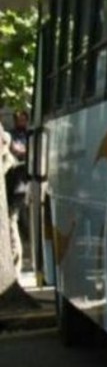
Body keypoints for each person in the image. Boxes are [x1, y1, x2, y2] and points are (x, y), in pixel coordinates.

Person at [5, 111, 30, 270]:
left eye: (23, 119)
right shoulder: (11, 135)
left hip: (25, 185)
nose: (21, 122)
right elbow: (14, 149)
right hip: (15, 186)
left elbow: (24, 151)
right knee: (14, 220)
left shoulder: (30, 134)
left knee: (20, 220)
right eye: (18, 119)